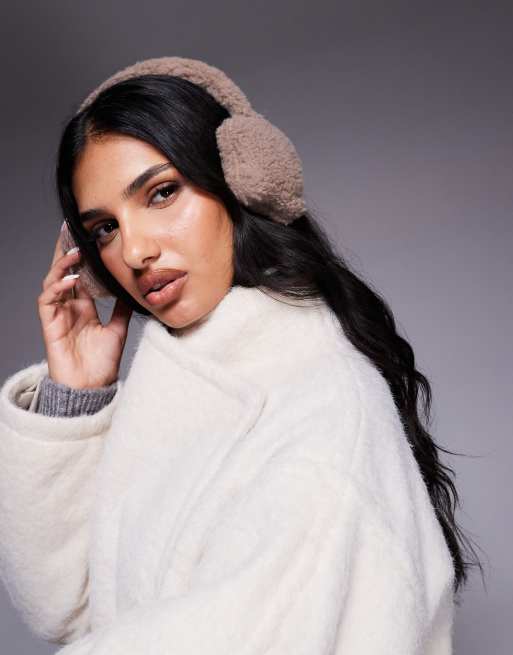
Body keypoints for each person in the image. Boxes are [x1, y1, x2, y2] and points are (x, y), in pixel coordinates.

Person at [0, 56, 481, 654]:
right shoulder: (189, 380)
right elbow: (69, 610)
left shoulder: (323, 421)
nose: (135, 251)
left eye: (162, 193)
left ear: (241, 180)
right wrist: (76, 398)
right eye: (105, 229)